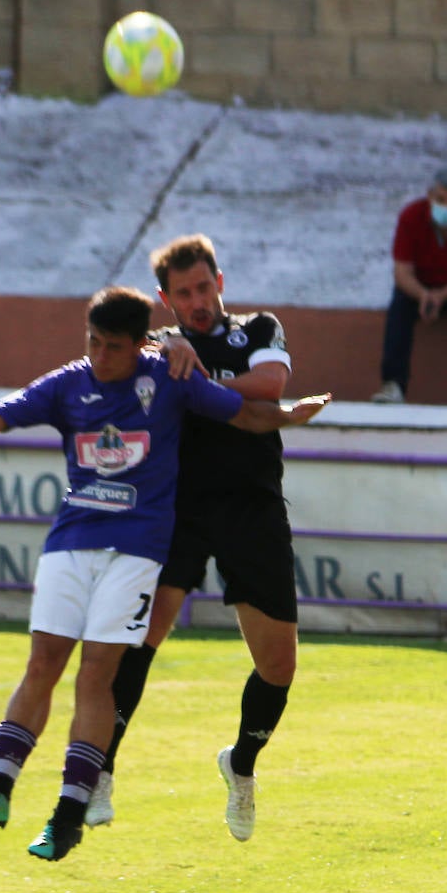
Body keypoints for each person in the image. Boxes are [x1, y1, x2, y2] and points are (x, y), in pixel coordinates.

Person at [0, 286, 329, 862]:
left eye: (112, 347)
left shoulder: (168, 380)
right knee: (42, 662)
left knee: (96, 674)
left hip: (137, 551)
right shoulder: (71, 381)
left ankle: (68, 815)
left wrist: (290, 414)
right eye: (92, 342)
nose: (100, 356)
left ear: (139, 343)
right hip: (70, 542)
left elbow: (240, 411)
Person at [83, 233, 297, 843]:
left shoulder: (257, 330)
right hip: (173, 510)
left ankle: (241, 765)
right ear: (165, 298)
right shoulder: (155, 348)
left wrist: (196, 380)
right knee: (140, 641)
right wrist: (165, 360)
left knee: (277, 665)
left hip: (251, 508)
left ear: (220, 282)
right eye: (184, 293)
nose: (198, 300)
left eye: (204, 287)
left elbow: (271, 386)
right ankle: (101, 768)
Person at [371, 167, 447, 408]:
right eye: (440, 200)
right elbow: (402, 272)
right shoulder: (411, 216)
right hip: (423, 283)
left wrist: (442, 295)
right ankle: (393, 384)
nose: (446, 206)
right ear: (430, 196)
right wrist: (424, 295)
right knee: (399, 307)